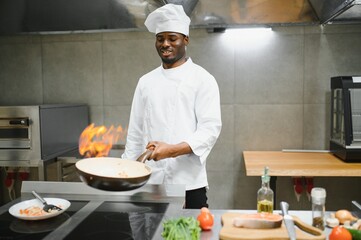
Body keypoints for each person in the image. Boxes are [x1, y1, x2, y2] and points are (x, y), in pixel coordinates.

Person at [122, 3, 222, 209]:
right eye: (160, 39)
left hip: (189, 183)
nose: (165, 44)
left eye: (172, 38)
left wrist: (172, 150)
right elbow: (135, 133)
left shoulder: (203, 79)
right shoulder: (145, 82)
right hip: (149, 183)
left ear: (185, 40)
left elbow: (209, 130)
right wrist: (126, 174)